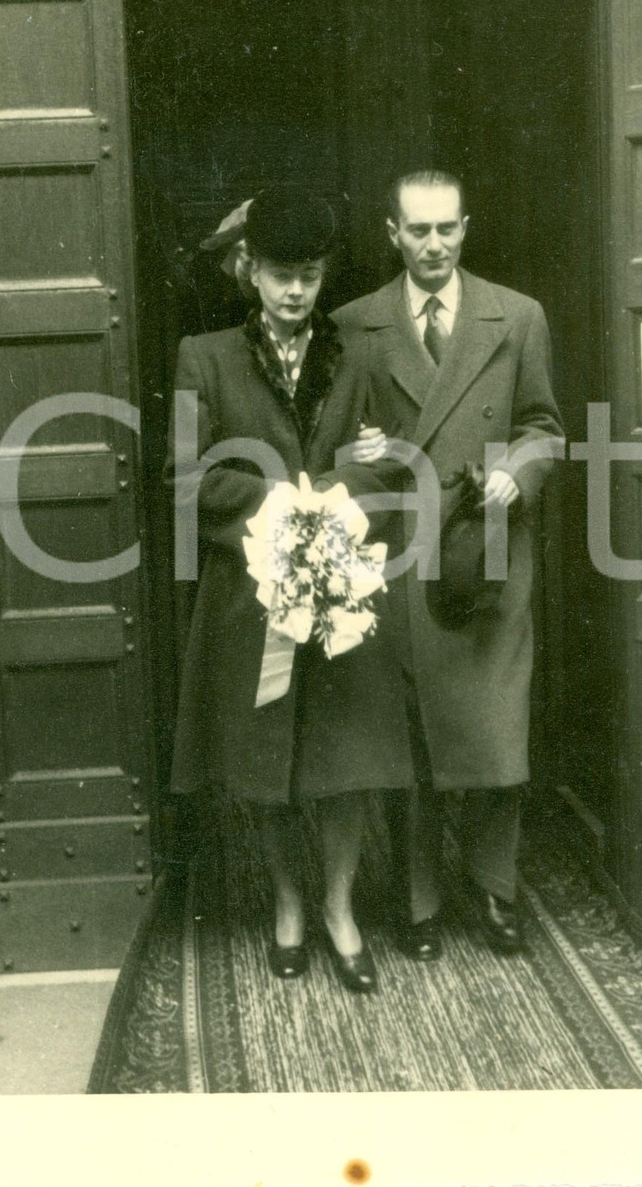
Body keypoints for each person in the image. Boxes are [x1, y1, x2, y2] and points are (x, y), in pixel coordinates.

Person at [166, 186, 413, 994]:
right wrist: (276, 501)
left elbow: (386, 468)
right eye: (280, 274)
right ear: (250, 270)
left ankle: (341, 910)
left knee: (345, 761)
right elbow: (184, 478)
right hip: (253, 597)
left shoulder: (362, 356)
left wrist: (337, 491)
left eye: (309, 274)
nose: (296, 291)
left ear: (324, 274)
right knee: (265, 762)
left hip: (340, 596)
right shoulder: (202, 357)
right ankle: (287, 905)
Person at [333, 170, 565, 963]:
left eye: (448, 230)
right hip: (400, 558)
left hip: (488, 550)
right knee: (415, 736)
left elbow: (544, 427)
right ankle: (419, 898)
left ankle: (496, 889)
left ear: (466, 228)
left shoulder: (517, 317)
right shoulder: (355, 325)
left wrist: (519, 472)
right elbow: (328, 444)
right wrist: (355, 452)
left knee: (497, 731)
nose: (434, 246)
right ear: (391, 233)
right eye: (418, 231)